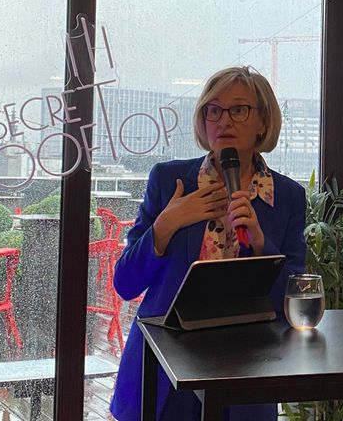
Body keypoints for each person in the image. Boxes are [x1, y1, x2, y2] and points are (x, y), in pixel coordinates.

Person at [109, 66, 307, 421]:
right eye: (213, 110)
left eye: (239, 109)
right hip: (164, 375)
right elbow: (125, 283)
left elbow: (294, 302)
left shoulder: (288, 197)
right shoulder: (170, 180)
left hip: (247, 375)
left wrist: (261, 243)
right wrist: (167, 223)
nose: (223, 120)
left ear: (263, 122)